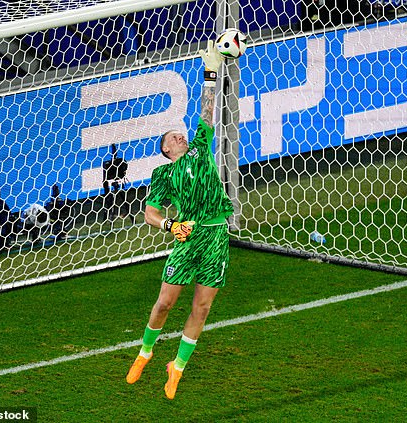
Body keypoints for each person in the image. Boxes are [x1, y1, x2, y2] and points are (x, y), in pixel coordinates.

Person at [125, 41, 234, 400]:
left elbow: (207, 112)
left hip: (216, 234)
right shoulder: (163, 175)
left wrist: (211, 71)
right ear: (166, 150)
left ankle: (178, 367)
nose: (180, 135)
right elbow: (149, 214)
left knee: (202, 306)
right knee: (165, 303)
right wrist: (170, 226)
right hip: (186, 239)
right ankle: (145, 353)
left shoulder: (201, 148)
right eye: (173, 137)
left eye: (180, 133)